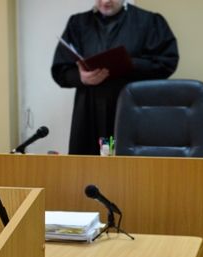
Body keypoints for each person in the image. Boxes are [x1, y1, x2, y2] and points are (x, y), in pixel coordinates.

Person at [52, 0, 179, 155]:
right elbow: (61, 70)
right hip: (90, 112)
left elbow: (166, 63)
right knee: (90, 165)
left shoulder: (149, 21)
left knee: (127, 165)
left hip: (131, 110)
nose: (106, 1)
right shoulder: (78, 23)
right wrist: (81, 77)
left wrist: (129, 63)